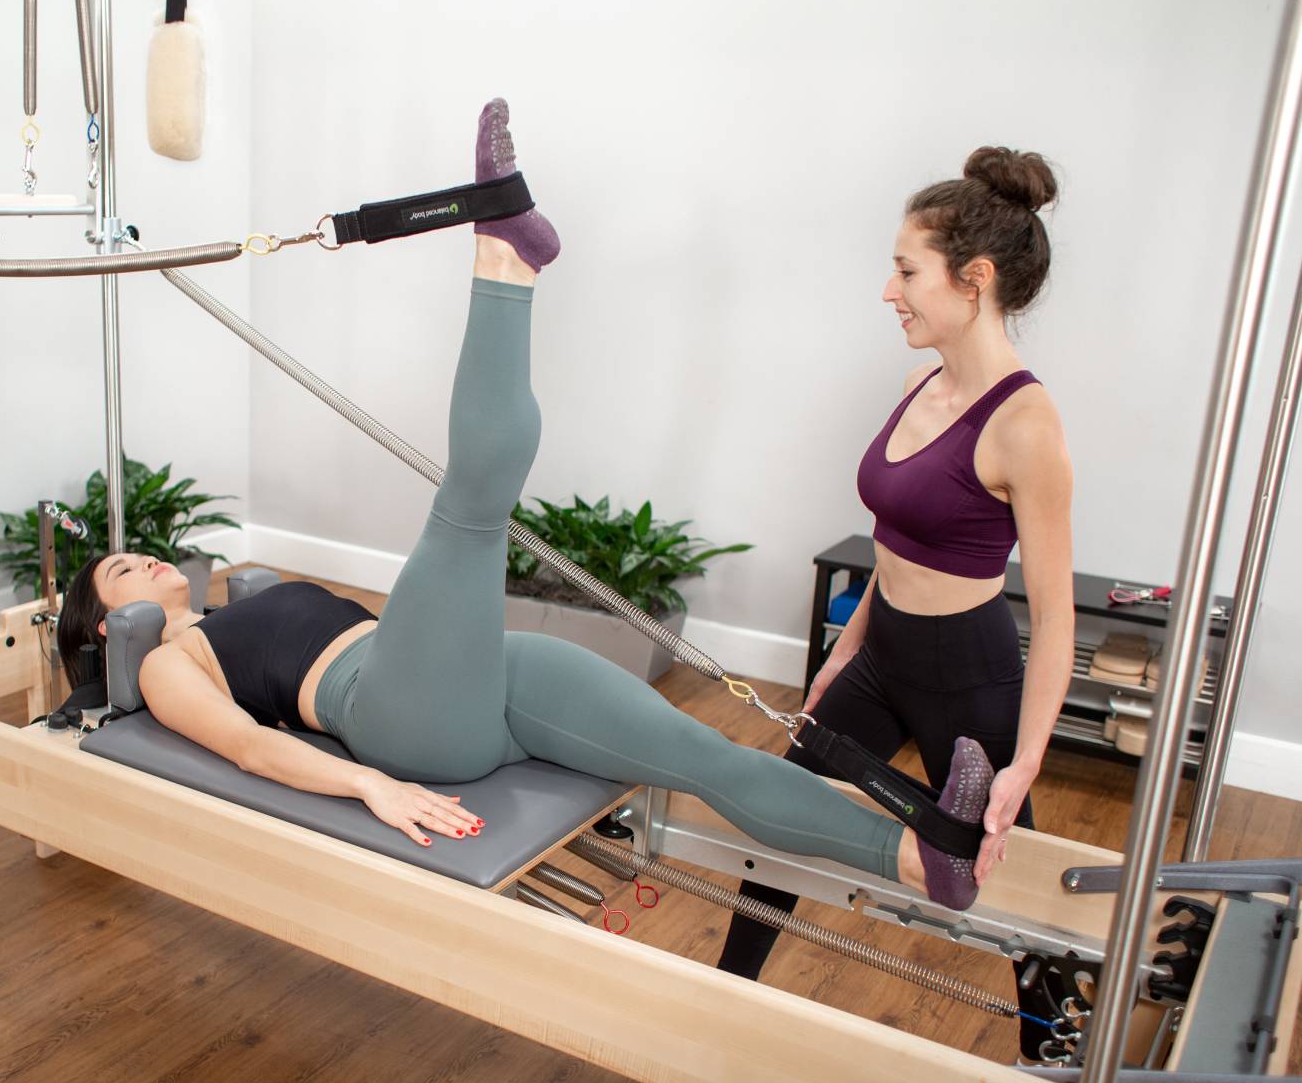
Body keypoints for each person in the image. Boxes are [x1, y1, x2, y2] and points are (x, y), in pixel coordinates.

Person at [58, 101, 1003, 911]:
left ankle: (928, 860)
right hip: (401, 714)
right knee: (471, 504)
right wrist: (371, 787)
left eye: (131, 555)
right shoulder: (171, 660)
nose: (139, 559)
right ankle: (503, 251)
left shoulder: (231, 603)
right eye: (117, 573)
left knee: (705, 754)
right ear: (110, 628)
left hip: (477, 680)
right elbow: (247, 751)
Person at [717, 148, 1075, 993]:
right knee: (780, 817)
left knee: (1016, 897)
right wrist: (847, 647)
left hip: (969, 676)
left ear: (973, 278)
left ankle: (1055, 1051)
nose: (890, 291)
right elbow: (899, 538)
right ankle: (728, 991)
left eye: (906, 271)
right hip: (882, 660)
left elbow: (1057, 619)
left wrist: (1025, 760)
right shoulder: (922, 383)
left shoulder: (1027, 426)